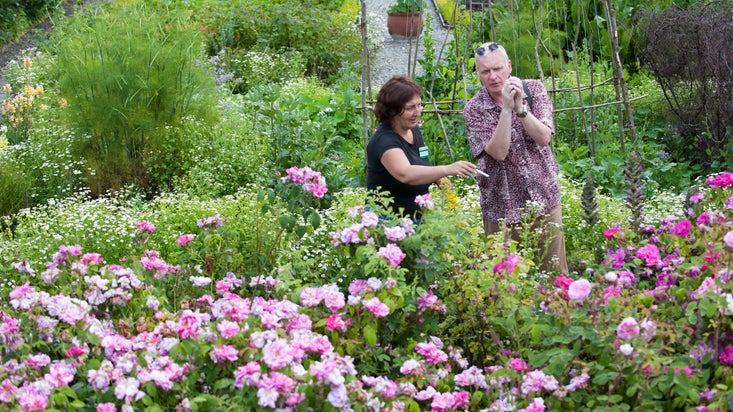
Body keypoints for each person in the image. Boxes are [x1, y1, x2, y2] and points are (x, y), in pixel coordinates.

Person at [463, 42, 568, 274]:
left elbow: (543, 138)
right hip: (501, 208)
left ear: (509, 67)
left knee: (554, 275)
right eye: (485, 72)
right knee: (506, 285)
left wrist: (521, 108)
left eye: (498, 69)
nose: (493, 76)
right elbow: (498, 152)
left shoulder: (534, 90)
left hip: (544, 199)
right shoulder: (474, 109)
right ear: (478, 75)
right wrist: (507, 110)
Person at [367, 75, 477, 220]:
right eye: (410, 108)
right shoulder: (385, 141)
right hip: (389, 221)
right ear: (392, 111)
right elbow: (405, 173)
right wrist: (447, 169)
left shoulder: (412, 129)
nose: (418, 112)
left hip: (416, 216)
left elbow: (421, 160)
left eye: (419, 105)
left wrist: (439, 179)